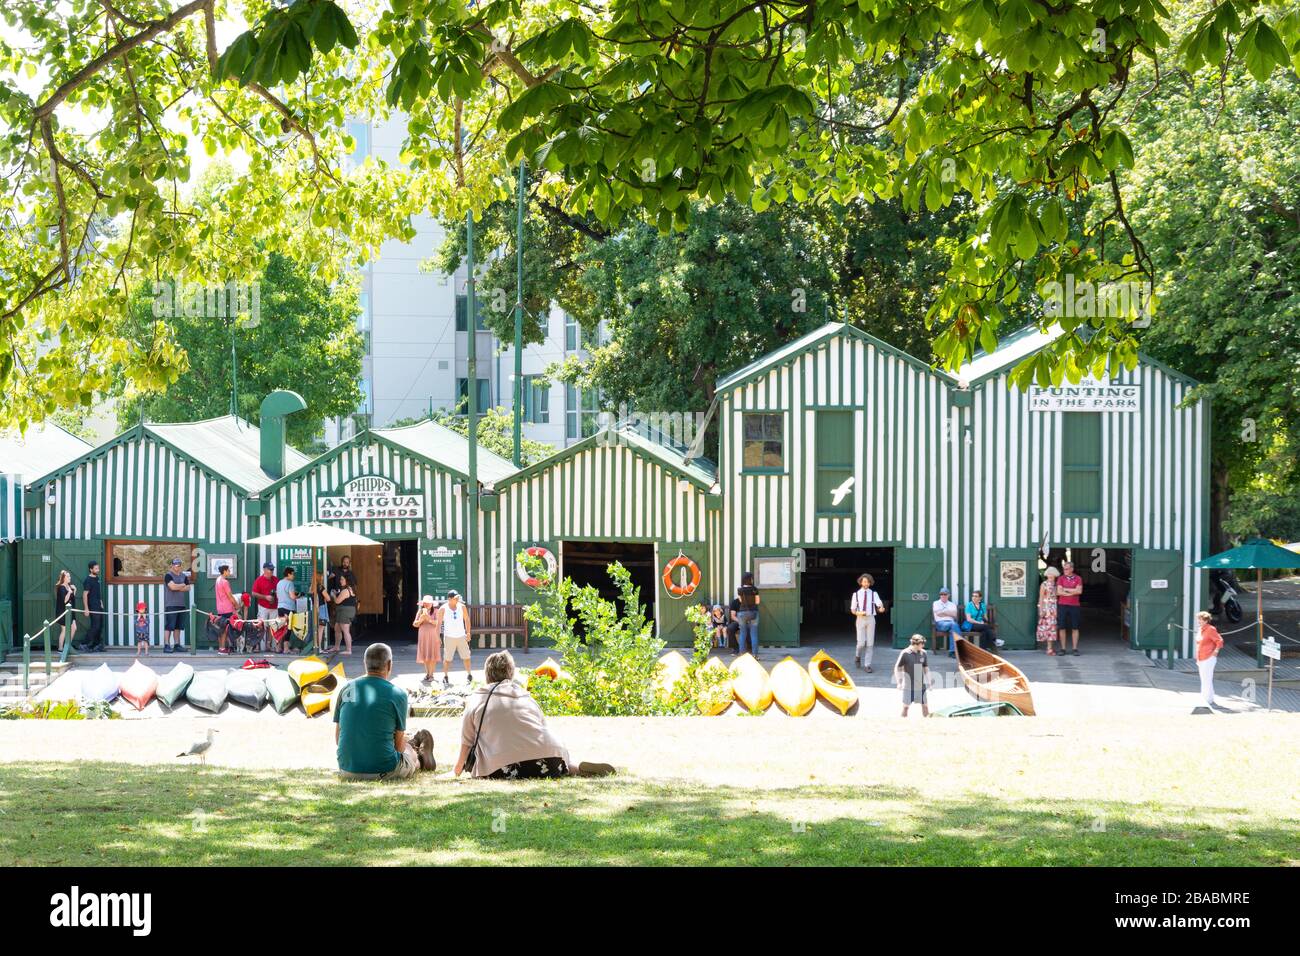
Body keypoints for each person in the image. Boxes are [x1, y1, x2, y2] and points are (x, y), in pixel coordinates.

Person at [455, 651, 614, 779]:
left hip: (505, 766)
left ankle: (570, 767)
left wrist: (456, 770)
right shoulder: (525, 696)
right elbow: (542, 727)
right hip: (552, 759)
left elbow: (467, 742)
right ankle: (575, 768)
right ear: (511, 673)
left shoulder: (478, 698)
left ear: (486, 674)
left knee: (508, 763)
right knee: (554, 761)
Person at [335, 642, 434, 780]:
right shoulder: (397, 694)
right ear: (389, 665)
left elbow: (338, 738)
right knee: (408, 751)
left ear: (365, 663)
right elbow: (398, 747)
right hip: (384, 771)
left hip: (347, 770)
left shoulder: (346, 689)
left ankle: (414, 749)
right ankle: (420, 760)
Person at [437, 589, 473, 685]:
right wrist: (437, 637)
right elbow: (439, 623)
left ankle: (469, 675)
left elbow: (467, 619)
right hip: (449, 636)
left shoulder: (462, 607)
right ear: (449, 599)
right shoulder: (443, 609)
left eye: (458, 597)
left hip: (461, 635)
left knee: (467, 657)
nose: (457, 599)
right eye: (455, 598)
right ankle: (445, 676)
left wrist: (468, 632)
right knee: (447, 659)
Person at [851, 572, 884, 672]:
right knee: (861, 643)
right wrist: (858, 613)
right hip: (860, 619)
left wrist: (881, 608)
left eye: (868, 582)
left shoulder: (874, 593)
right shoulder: (856, 594)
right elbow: (853, 610)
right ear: (861, 582)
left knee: (870, 643)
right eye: (864, 582)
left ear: (870, 583)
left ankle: (867, 665)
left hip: (871, 619)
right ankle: (857, 656)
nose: (866, 584)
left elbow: (879, 604)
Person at [893, 634, 931, 717]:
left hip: (920, 685)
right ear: (915, 644)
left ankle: (928, 722)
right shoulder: (905, 653)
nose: (923, 645)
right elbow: (897, 668)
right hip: (908, 685)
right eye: (922, 644)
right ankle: (903, 721)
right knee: (906, 707)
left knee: (925, 705)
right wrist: (899, 682)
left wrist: (929, 682)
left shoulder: (923, 653)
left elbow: (926, 668)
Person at [1195, 610, 1224, 708]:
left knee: (1207, 678)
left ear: (1206, 620)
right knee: (1204, 678)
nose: (1199, 621)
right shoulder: (1200, 629)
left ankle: (1207, 699)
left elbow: (1219, 641)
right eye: (1198, 619)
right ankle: (1208, 698)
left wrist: (1215, 652)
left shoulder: (1210, 629)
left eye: (1201, 619)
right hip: (1201, 657)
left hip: (1208, 657)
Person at [163, 557, 191, 653]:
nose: (177, 566)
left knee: (178, 626)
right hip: (171, 604)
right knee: (169, 626)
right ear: (172, 565)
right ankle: (166, 645)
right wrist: (182, 585)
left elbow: (188, 588)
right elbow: (172, 587)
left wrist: (178, 586)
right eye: (175, 565)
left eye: (179, 565)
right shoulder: (168, 575)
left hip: (181, 604)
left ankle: (177, 644)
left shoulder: (183, 576)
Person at [1057, 560, 1084, 655]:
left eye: (1067, 569)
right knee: (1062, 627)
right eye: (1064, 568)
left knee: (1075, 627)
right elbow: (1058, 592)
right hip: (1062, 605)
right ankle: (1063, 649)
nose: (1065, 570)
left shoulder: (1078, 578)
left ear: (1072, 569)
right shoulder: (1060, 578)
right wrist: (1072, 591)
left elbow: (1079, 591)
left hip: (1074, 606)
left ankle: (1075, 649)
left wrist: (1065, 590)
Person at [77, 561, 105, 652]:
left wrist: (101, 602)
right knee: (95, 626)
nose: (98, 570)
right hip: (92, 606)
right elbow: (85, 595)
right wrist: (86, 608)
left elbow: (97, 591)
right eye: (96, 568)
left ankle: (96, 645)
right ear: (91, 569)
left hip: (98, 605)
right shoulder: (88, 580)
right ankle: (83, 644)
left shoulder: (97, 578)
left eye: (98, 568)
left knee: (100, 626)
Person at [414, 595, 442, 684]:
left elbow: (437, 623)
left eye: (428, 603)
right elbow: (415, 624)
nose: (426, 605)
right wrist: (421, 619)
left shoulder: (436, 611)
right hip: (423, 635)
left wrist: (429, 619)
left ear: (432, 604)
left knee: (432, 655)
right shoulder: (420, 611)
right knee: (425, 655)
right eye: (425, 603)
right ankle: (427, 674)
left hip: (433, 635)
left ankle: (431, 675)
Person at [1036, 566, 1061, 655]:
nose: (1050, 576)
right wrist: (1041, 609)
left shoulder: (1057, 584)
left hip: (1054, 607)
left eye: (1052, 574)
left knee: (1053, 627)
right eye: (1049, 574)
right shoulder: (1044, 584)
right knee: (1047, 627)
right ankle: (1049, 648)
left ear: (1055, 575)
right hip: (1046, 607)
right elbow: (1041, 597)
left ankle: (1050, 648)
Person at [735, 572, 760, 658]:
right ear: (750, 579)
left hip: (742, 613)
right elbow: (757, 602)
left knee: (742, 634)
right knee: (754, 634)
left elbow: (741, 601)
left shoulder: (740, 590)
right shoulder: (755, 589)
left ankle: (741, 654)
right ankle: (755, 655)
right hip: (753, 612)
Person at [332, 570, 357, 655]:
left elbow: (337, 601)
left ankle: (348, 650)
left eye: (342, 579)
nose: (340, 581)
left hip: (345, 611)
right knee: (337, 628)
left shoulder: (346, 590)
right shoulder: (349, 589)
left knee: (345, 630)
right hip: (345, 611)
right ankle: (336, 647)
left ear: (347, 581)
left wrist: (334, 595)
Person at [214, 564, 237, 655]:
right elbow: (230, 595)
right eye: (228, 570)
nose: (229, 572)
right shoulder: (225, 582)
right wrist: (236, 604)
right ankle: (223, 649)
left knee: (221, 629)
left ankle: (221, 648)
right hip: (227, 609)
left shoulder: (217, 580)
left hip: (220, 608)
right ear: (224, 571)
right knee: (225, 630)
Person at [931, 587, 960, 656]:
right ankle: (956, 651)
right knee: (954, 625)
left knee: (953, 628)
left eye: (945, 594)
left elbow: (955, 615)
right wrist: (949, 612)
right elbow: (938, 613)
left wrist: (943, 612)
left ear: (948, 595)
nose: (943, 596)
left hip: (951, 624)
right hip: (940, 623)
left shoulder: (952, 604)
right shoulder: (936, 603)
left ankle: (952, 651)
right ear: (940, 595)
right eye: (942, 594)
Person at [54, 570, 77, 652]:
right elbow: (65, 601)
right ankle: (60, 648)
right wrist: (69, 592)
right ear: (63, 578)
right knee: (64, 630)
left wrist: (74, 590)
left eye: (69, 576)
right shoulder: (61, 587)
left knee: (74, 628)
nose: (69, 578)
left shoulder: (69, 587)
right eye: (67, 576)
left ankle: (68, 645)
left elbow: (72, 599)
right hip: (63, 612)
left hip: (70, 612)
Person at [314, 574, 332, 650]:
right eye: (321, 577)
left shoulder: (311, 588)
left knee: (316, 629)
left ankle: (317, 646)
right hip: (321, 609)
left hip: (314, 609)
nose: (322, 579)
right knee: (320, 629)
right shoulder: (321, 587)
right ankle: (319, 648)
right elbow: (328, 598)